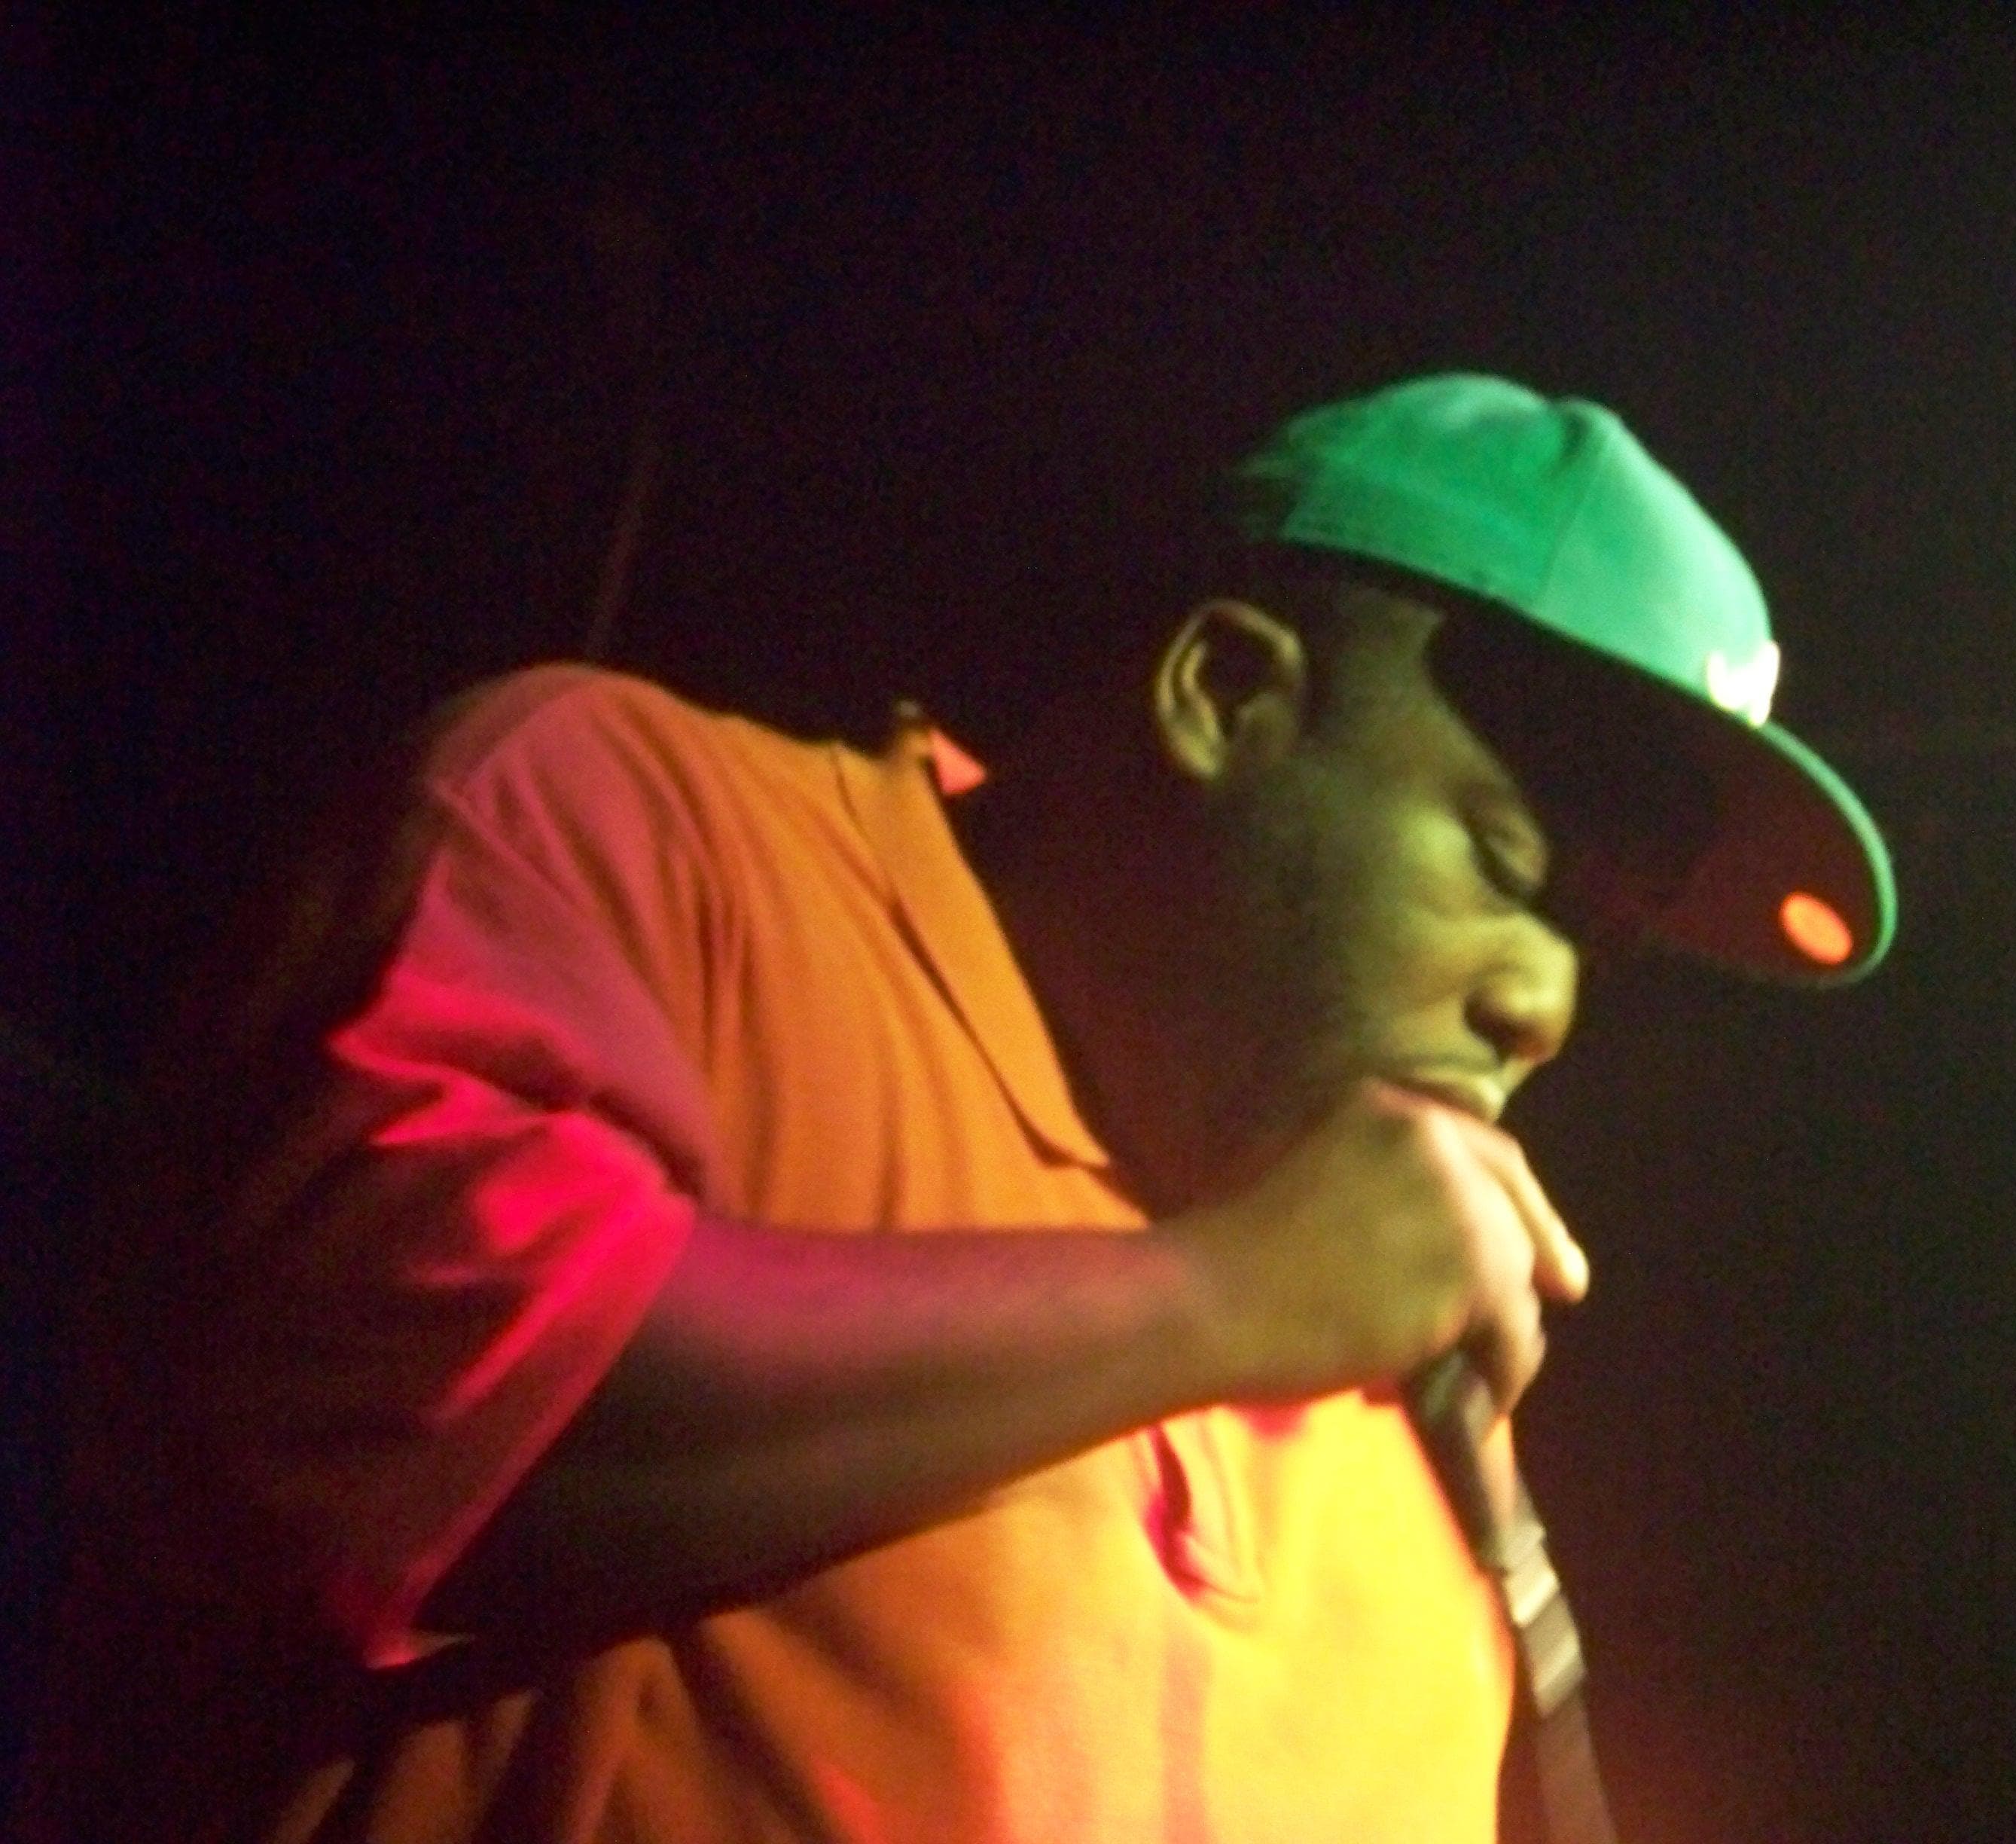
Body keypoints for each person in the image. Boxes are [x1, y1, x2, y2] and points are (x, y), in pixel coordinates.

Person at [14, 374, 1893, 1842]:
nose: (1544, 1008)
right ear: (1225, 695)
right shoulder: (653, 842)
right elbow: (375, 1421)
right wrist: (1229, 1299)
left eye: (1601, 940)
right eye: (1507, 867)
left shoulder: (1414, 1503)